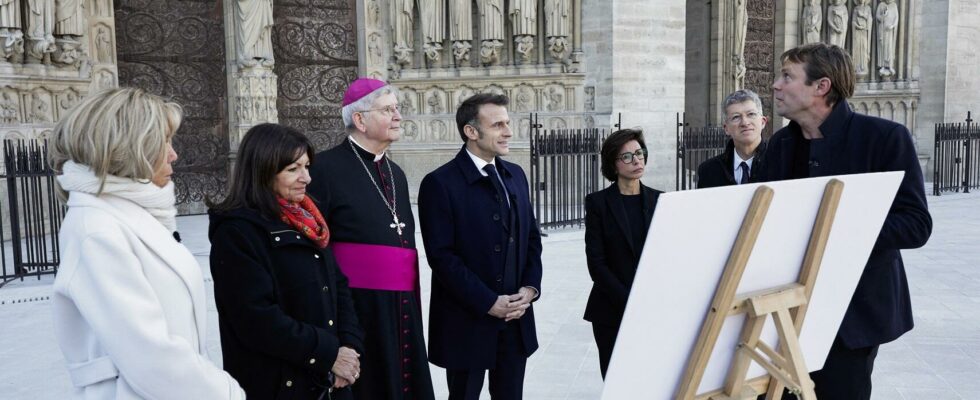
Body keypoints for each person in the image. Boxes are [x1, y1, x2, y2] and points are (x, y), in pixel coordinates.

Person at [760, 42, 932, 399]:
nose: (776, 85)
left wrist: (839, 232)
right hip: (787, 316)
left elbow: (916, 224)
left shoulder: (885, 138)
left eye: (787, 77)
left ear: (821, 87)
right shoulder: (780, 145)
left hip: (854, 317)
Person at [49, 87, 245, 398]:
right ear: (129, 147)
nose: (173, 154)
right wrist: (227, 393)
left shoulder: (131, 213)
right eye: (164, 142)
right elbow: (150, 358)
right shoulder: (98, 230)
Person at [208, 123, 364, 399]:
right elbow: (256, 318)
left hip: (329, 381)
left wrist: (349, 348)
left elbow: (338, 287)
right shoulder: (237, 232)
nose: (307, 178)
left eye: (306, 166)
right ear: (263, 172)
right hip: (280, 385)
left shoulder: (309, 220)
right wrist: (328, 354)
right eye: (293, 169)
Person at [307, 78, 435, 400]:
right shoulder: (323, 169)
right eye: (388, 109)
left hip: (402, 304)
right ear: (360, 120)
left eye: (397, 108)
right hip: (358, 307)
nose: (398, 116)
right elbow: (314, 248)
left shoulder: (397, 173)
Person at [418, 93, 543, 400]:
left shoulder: (516, 175)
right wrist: (489, 301)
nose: (508, 131)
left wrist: (529, 289)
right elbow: (442, 257)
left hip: (515, 319)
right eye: (498, 124)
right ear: (471, 132)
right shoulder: (439, 183)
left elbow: (531, 239)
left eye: (508, 123)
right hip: (466, 322)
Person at [583, 129, 663, 379]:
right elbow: (597, 264)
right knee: (617, 380)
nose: (636, 160)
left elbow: (666, 258)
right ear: (613, 164)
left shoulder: (661, 200)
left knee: (650, 379)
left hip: (652, 308)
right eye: (626, 157)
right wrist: (628, 300)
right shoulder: (598, 203)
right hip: (611, 308)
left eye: (639, 153)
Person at [696, 89, 768, 188]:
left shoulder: (780, 163)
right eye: (736, 117)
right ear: (726, 128)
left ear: (763, 122)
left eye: (751, 114)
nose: (745, 123)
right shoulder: (708, 171)